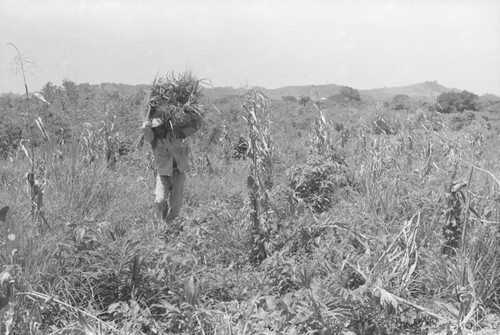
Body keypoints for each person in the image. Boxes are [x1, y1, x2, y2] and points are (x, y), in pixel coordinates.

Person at [142, 106, 200, 225]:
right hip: (163, 175)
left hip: (178, 173)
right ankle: (163, 220)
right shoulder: (153, 140)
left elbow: (195, 127)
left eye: (160, 128)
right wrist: (150, 110)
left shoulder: (175, 134)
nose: (158, 131)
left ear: (165, 126)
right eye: (155, 129)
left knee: (175, 207)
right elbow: (145, 127)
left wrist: (192, 112)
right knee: (159, 200)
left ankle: (171, 227)